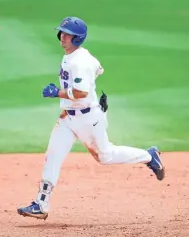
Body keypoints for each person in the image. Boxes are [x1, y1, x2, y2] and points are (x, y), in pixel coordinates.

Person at [17, 16, 165, 220]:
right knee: (53, 155)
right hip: (68, 118)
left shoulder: (80, 61)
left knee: (106, 156)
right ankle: (41, 204)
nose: (62, 36)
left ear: (77, 38)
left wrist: (57, 93)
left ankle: (149, 156)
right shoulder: (75, 56)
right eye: (62, 32)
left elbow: (81, 93)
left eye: (68, 34)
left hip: (88, 120)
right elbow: (99, 68)